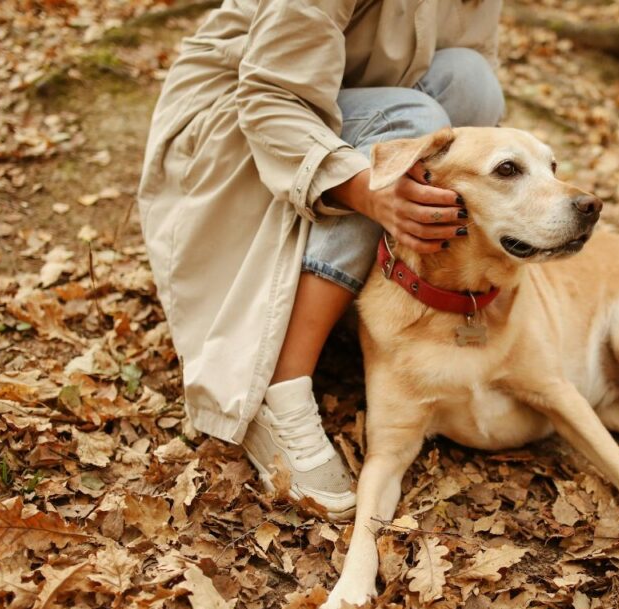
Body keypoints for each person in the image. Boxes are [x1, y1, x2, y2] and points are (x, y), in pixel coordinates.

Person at [138, 0, 505, 519]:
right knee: (407, 125)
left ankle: (392, 297)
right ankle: (280, 389)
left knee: (472, 80)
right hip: (237, 115)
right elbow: (268, 95)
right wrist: (369, 192)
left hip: (344, 102)